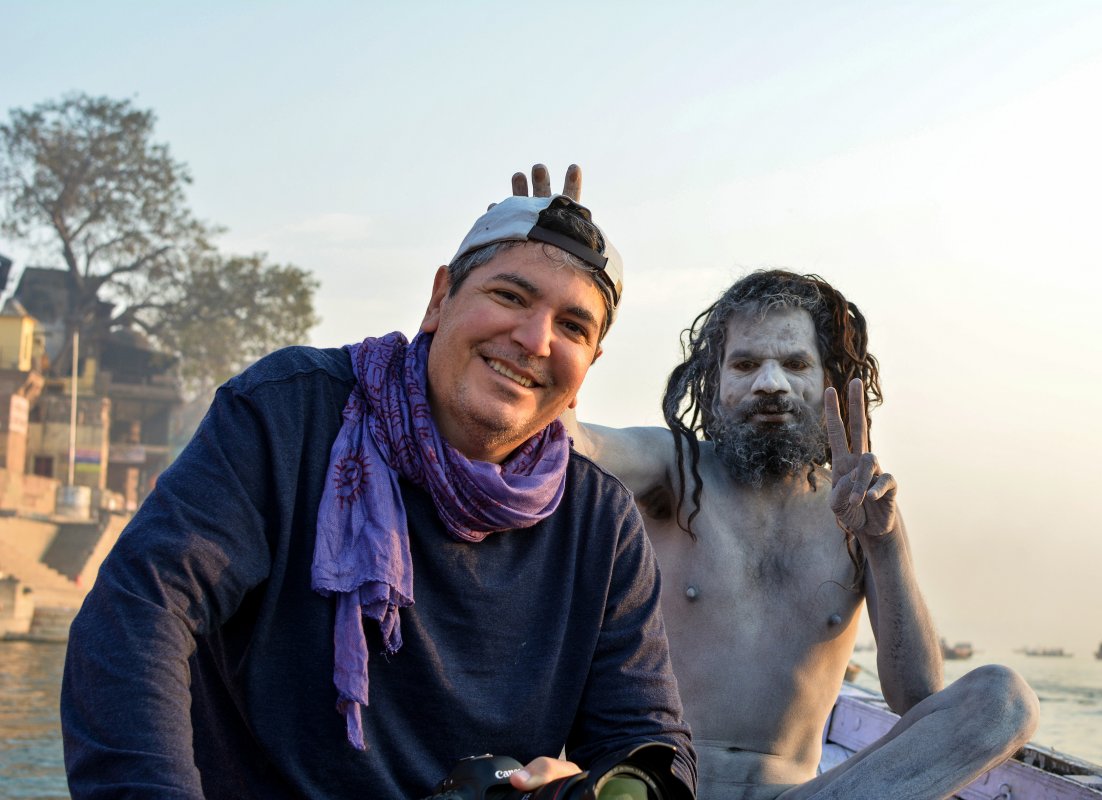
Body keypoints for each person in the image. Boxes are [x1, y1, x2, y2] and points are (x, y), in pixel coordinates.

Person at [60, 182, 697, 799]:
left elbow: (644, 735)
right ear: (440, 298)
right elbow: (143, 608)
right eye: (509, 295)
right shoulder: (290, 413)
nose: (535, 340)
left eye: (574, 327)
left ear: (588, 367)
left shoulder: (601, 522)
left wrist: (617, 789)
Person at [512, 167, 1039, 799]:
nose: (770, 383)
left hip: (800, 795)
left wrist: (884, 541)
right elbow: (568, 438)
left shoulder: (860, 508)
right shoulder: (674, 470)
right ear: (714, 384)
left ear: (827, 382)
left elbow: (917, 699)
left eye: (794, 363)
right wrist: (557, 274)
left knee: (1004, 698)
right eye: (745, 363)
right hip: (660, 787)